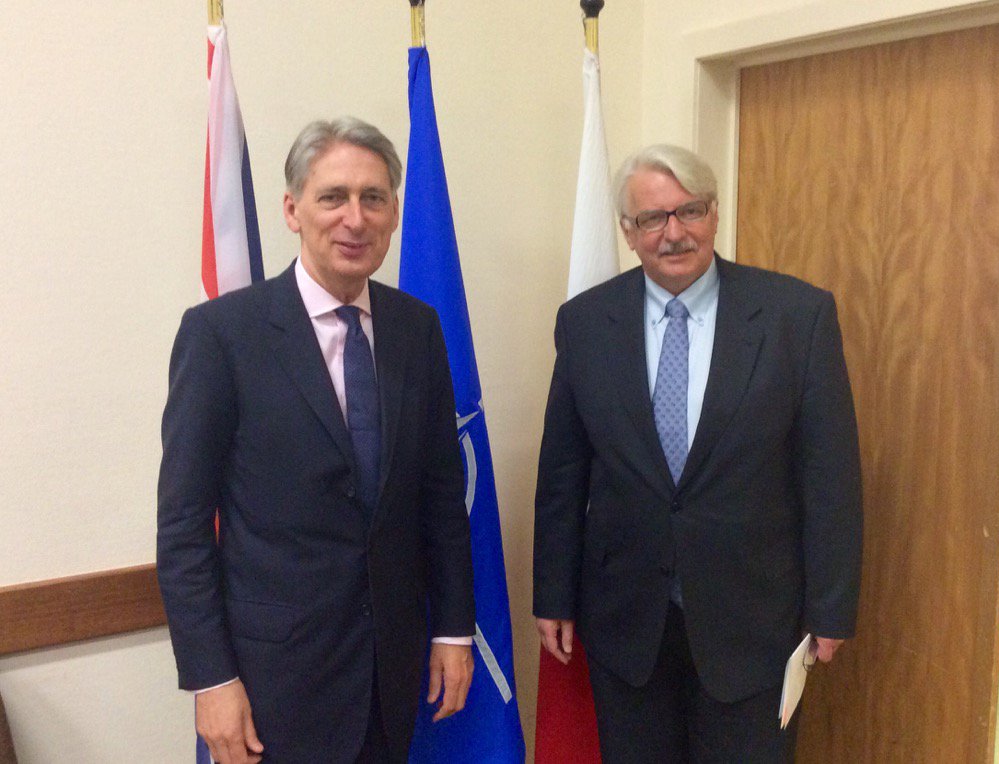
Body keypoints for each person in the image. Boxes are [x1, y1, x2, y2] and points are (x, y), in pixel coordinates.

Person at [157, 117, 475, 764]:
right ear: (292, 210)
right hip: (273, 690)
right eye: (333, 197)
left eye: (373, 198)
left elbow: (442, 495)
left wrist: (453, 630)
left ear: (393, 214)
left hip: (391, 678)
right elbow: (184, 525)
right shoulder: (223, 336)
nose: (355, 219)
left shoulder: (417, 328)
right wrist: (211, 679)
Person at [533, 144, 862, 762]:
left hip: (754, 623)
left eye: (690, 211)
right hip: (625, 622)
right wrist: (553, 594)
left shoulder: (796, 316)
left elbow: (831, 477)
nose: (674, 232)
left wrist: (832, 608)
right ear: (627, 231)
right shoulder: (584, 323)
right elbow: (563, 474)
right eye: (652, 218)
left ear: (714, 214)